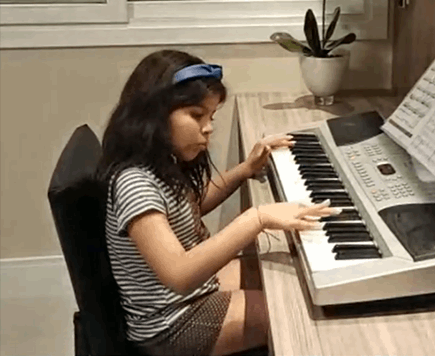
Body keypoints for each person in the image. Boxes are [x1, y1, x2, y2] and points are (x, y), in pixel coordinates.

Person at [98, 50, 336, 355]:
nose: (208, 127)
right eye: (196, 115)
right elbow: (179, 275)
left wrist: (245, 169)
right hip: (170, 324)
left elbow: (191, 207)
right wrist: (257, 218)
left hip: (192, 293)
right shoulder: (134, 184)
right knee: (294, 313)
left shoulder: (160, 162)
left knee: (293, 276)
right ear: (154, 113)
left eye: (211, 116)